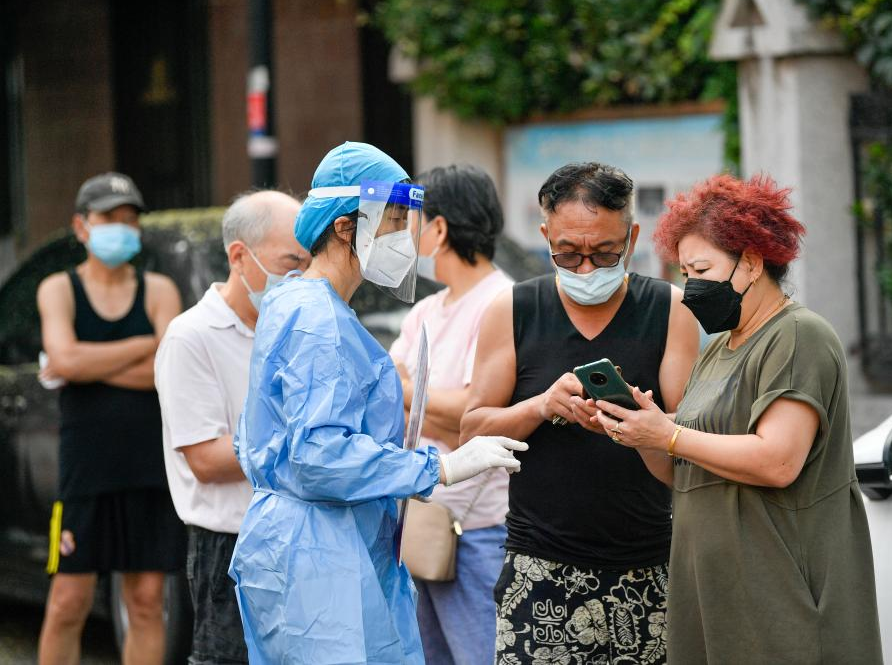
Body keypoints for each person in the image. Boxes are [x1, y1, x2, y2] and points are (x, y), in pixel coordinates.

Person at [228, 141, 528, 665]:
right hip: (320, 557)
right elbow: (318, 454)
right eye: (393, 221)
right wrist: (438, 467)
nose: (404, 237)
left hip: (317, 546)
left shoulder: (301, 303)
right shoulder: (317, 320)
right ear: (346, 227)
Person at [589, 173, 883, 663]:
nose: (691, 286)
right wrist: (641, 432)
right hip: (715, 597)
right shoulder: (719, 348)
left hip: (780, 598)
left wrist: (670, 434)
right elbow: (683, 471)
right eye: (685, 272)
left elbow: (778, 460)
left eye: (702, 269)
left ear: (751, 262)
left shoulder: (798, 335)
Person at [461, 162, 699, 664]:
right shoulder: (513, 309)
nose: (587, 270)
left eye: (605, 253)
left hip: (649, 565)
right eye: (568, 254)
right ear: (545, 236)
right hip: (539, 569)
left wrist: (648, 426)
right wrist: (541, 405)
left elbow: (691, 446)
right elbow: (472, 430)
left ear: (632, 238)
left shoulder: (670, 309)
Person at [36, 172, 186, 664]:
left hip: (149, 469)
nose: (121, 227)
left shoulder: (159, 289)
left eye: (129, 219)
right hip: (85, 471)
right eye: (109, 218)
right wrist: (144, 345)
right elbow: (63, 358)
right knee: (68, 601)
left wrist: (86, 364)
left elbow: (168, 370)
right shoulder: (58, 289)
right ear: (82, 226)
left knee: (146, 601)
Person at [154, 190, 309, 664]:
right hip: (232, 547)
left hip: (301, 534)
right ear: (239, 256)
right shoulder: (191, 337)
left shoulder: (294, 327)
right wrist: (304, 437)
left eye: (308, 265)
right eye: (290, 263)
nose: (301, 277)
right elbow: (206, 460)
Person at [388, 164, 514, 664]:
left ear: (439, 228)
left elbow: (474, 417)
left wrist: (411, 394)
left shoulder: (501, 302)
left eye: (410, 221)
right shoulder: (425, 310)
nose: (404, 235)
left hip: (477, 529)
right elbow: (390, 398)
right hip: (421, 518)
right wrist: (435, 405)